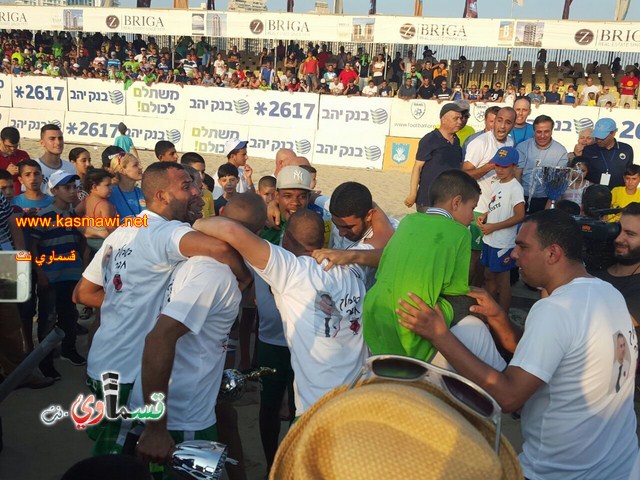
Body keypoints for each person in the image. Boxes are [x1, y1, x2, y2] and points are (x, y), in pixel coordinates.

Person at [397, 209, 639, 480]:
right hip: (621, 464)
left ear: (552, 253)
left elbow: (509, 397)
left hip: (562, 473)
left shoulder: (556, 309)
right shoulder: (607, 293)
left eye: (522, 247)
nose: (513, 255)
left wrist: (439, 335)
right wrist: (500, 319)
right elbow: (546, 353)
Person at [73, 162, 249, 456]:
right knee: (116, 466)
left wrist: (128, 300)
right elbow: (221, 250)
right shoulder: (165, 232)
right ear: (161, 196)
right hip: (126, 374)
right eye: (185, 186)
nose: (195, 190)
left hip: (101, 362)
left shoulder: (127, 228)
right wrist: (245, 277)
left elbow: (83, 293)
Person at [194, 208, 368, 420]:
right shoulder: (354, 265)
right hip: (359, 402)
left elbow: (229, 229)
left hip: (318, 410)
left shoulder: (292, 269)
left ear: (286, 239)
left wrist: (195, 224)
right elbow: (381, 232)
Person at [133, 194, 266, 468]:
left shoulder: (197, 260)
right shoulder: (215, 275)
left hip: (182, 404)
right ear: (260, 234)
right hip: (180, 418)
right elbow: (159, 338)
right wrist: (158, 428)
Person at [31, 170, 88, 370]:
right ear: (54, 190)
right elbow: (33, 246)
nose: (72, 192)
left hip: (70, 273)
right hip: (51, 276)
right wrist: (40, 273)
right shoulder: (44, 215)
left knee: (69, 314)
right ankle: (45, 361)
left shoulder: (73, 215)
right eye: (67, 188)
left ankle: (68, 350)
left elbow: (81, 241)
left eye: (75, 187)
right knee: (47, 318)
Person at [463, 107, 516, 283]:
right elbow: (465, 174)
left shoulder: (510, 142)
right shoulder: (479, 143)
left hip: (496, 212)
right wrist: (488, 166)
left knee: (486, 263)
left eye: (507, 122)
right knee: (473, 257)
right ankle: (465, 298)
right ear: (493, 121)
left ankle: (479, 295)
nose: (502, 126)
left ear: (513, 125)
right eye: (499, 120)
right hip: (479, 209)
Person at [476, 147, 525, 313]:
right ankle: (489, 311)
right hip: (490, 239)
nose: (499, 169)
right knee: (489, 276)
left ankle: (502, 315)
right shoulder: (497, 183)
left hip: (503, 242)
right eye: (497, 165)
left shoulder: (515, 188)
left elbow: (519, 216)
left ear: (514, 166)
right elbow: (497, 205)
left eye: (504, 166)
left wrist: (493, 227)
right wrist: (485, 215)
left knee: (502, 281)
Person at [405, 102, 467, 212]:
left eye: (461, 118)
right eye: (455, 118)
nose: (459, 122)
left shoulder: (456, 141)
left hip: (449, 200)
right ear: (443, 119)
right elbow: (417, 167)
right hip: (428, 200)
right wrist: (413, 194)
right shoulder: (429, 139)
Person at [593, 202, 640, 326]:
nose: (618, 239)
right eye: (617, 229)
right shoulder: (594, 265)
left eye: (630, 234)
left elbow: (617, 323)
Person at [516, 115, 569, 213]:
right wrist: (517, 201)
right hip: (522, 197)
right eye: (539, 132)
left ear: (552, 131)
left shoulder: (560, 151)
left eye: (546, 131)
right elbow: (517, 174)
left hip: (546, 200)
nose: (543, 136)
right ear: (534, 131)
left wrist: (546, 211)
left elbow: (557, 184)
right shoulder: (522, 147)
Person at [582, 118, 634, 188]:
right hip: (593, 194)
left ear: (613, 133)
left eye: (602, 137)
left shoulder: (626, 149)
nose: (599, 140)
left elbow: (630, 173)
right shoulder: (588, 150)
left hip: (617, 194)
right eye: (596, 137)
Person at [82, 168, 117, 253]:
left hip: (89, 240)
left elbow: (77, 213)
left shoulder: (86, 200)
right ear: (94, 187)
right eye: (107, 185)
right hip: (102, 242)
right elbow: (109, 227)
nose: (111, 188)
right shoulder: (104, 205)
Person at [36, 124, 76, 195]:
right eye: (52, 139)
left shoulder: (70, 167)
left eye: (60, 138)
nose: (58, 142)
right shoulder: (34, 167)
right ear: (42, 143)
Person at [109, 153, 144, 219]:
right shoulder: (110, 194)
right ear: (122, 171)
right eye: (135, 165)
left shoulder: (143, 193)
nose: (141, 167)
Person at [180, 152, 214, 218]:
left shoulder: (208, 194)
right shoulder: (180, 196)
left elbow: (211, 217)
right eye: (196, 171)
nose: (201, 176)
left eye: (203, 172)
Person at [0, 126, 29, 196]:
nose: (12, 149)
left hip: (21, 199)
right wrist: (7, 173)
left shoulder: (23, 155)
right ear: (1, 141)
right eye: (8, 146)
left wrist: (23, 171)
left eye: (16, 146)